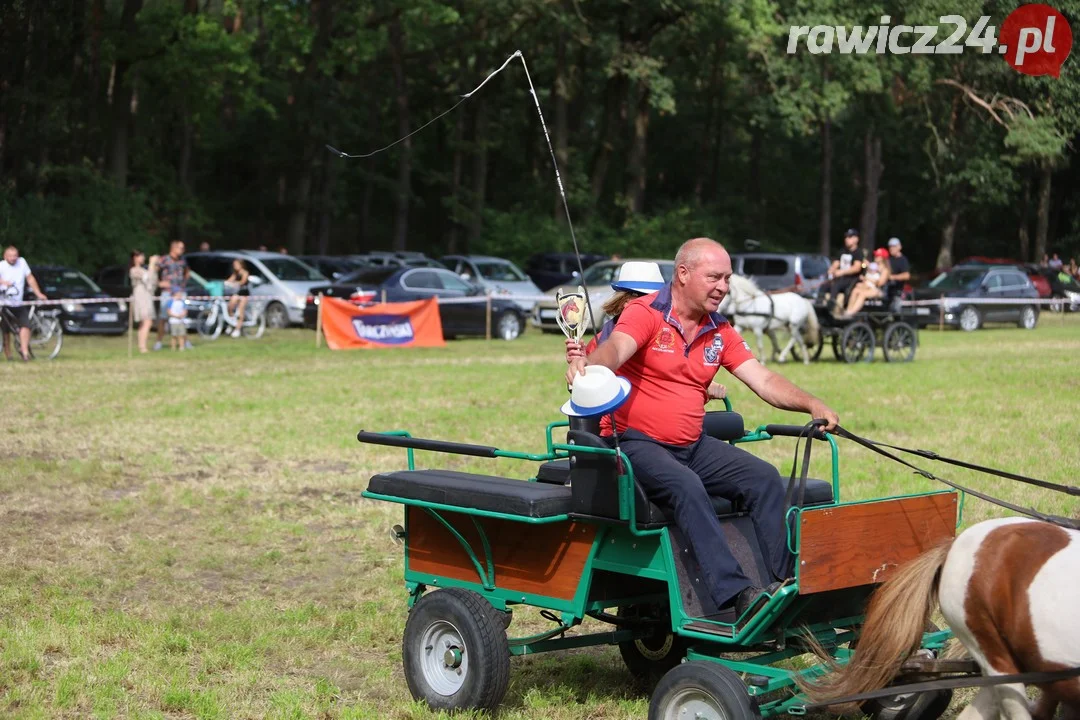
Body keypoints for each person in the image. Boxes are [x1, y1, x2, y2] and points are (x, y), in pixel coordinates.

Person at [566, 238, 839, 627]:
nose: (724, 286)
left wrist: (812, 403)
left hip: (692, 444)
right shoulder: (646, 313)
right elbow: (616, 350)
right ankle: (736, 594)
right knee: (686, 486)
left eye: (727, 278)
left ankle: (785, 583)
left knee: (763, 478)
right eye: (714, 276)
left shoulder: (719, 330)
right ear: (683, 274)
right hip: (635, 443)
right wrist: (591, 366)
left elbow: (762, 379)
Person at [565, 261, 726, 430]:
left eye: (656, 299)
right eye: (643, 299)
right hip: (625, 430)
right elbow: (582, 392)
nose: (652, 305)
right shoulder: (602, 340)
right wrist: (580, 366)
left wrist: (704, 385)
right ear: (624, 302)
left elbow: (678, 374)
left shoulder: (669, 333)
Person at [0, 245, 47, 362]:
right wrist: (4, 282)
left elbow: (30, 278)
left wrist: (38, 293)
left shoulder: (22, 263)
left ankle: (24, 351)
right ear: (5, 256)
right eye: (10, 256)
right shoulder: (1, 266)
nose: (13, 258)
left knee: (25, 326)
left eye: (15, 255)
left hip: (18, 303)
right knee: (5, 331)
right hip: (4, 303)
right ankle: (8, 354)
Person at [154, 240, 190, 351]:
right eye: (181, 248)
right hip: (167, 292)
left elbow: (187, 272)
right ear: (173, 248)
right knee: (164, 317)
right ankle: (159, 342)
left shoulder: (182, 260)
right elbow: (154, 271)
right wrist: (158, 283)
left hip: (180, 292)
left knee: (182, 316)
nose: (182, 250)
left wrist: (183, 283)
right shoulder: (164, 259)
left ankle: (185, 341)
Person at [825, 229, 868, 312]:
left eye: (850, 237)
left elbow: (857, 268)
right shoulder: (842, 251)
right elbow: (836, 263)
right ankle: (820, 303)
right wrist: (832, 270)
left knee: (836, 285)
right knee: (825, 286)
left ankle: (832, 307)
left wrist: (841, 272)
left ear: (856, 239)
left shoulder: (858, 252)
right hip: (840, 278)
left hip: (852, 279)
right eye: (846, 237)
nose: (847, 239)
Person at [842, 248, 891, 316]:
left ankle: (852, 313)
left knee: (862, 294)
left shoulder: (885, 270)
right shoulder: (873, 266)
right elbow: (866, 264)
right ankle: (848, 310)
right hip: (869, 287)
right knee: (856, 290)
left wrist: (866, 278)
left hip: (879, 291)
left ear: (882, 258)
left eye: (877, 255)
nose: (875, 257)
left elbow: (879, 283)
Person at [129, 250, 160, 354]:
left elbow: (153, 282)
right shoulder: (134, 270)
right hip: (141, 297)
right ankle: (142, 347)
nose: (143, 258)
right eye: (140, 256)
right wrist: (151, 264)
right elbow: (147, 278)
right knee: (147, 321)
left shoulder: (143, 269)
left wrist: (154, 267)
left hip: (147, 296)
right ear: (135, 258)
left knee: (145, 322)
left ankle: (142, 346)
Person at [224, 259, 251, 338]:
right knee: (230, 306)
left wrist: (234, 283)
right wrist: (226, 283)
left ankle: (237, 329)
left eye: (236, 264)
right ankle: (232, 322)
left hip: (244, 294)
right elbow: (229, 280)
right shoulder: (235, 273)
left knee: (240, 311)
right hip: (237, 293)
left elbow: (242, 282)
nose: (234, 266)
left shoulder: (245, 273)